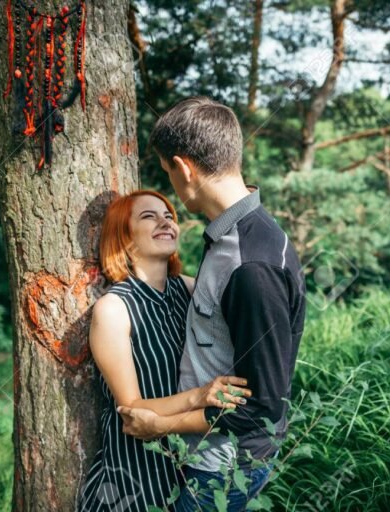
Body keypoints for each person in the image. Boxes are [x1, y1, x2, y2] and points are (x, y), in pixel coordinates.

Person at [117, 97, 307, 511]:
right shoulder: (230, 238)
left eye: (168, 173)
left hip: (223, 464)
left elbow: (260, 408)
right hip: (206, 454)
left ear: (184, 168)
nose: (171, 186)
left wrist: (161, 424)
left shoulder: (251, 264)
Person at [78, 190, 253, 512]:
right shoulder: (114, 308)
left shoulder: (188, 289)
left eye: (169, 216)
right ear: (124, 237)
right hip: (135, 474)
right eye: (149, 216)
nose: (166, 222)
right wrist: (200, 397)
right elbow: (131, 409)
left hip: (195, 464)